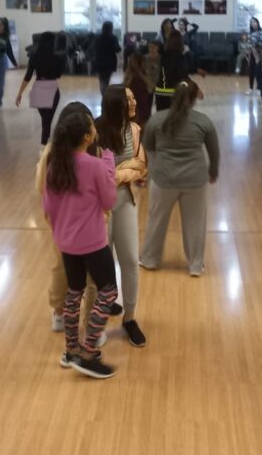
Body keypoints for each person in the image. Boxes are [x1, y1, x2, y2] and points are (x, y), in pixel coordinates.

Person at [43, 110, 119, 379]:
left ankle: (71, 351)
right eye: (92, 127)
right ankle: (88, 352)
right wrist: (108, 160)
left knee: (74, 292)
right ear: (87, 137)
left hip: (67, 242)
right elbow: (110, 201)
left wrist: (62, 232)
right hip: (93, 242)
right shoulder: (95, 165)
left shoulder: (55, 165)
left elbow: (48, 207)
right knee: (108, 292)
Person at [139, 79, 220, 276]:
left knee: (156, 220)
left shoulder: (157, 119)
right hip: (195, 180)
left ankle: (150, 259)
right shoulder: (203, 121)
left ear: (173, 96)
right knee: (195, 224)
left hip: (163, 180)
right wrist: (213, 172)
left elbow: (148, 146)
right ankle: (195, 265)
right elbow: (214, 151)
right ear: (193, 100)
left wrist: (152, 169)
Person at [38, 102, 101, 333]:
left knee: (74, 270)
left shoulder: (90, 151)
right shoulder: (53, 153)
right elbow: (42, 186)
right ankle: (61, 311)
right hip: (72, 223)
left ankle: (78, 316)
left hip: (73, 223)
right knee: (68, 269)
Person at [95, 85, 148, 347]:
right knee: (102, 263)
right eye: (129, 99)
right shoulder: (95, 131)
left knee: (129, 260)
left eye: (134, 97)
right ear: (116, 104)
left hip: (126, 200)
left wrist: (117, 173)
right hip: (98, 207)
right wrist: (124, 170)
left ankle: (130, 317)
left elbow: (141, 166)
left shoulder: (135, 129)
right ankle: (98, 317)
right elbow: (94, 172)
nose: (134, 102)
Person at [16, 31, 66, 146]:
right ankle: (45, 144)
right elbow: (59, 75)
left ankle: (45, 144)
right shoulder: (57, 57)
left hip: (38, 88)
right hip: (52, 88)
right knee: (47, 121)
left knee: (45, 120)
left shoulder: (34, 56)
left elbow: (28, 76)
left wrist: (20, 93)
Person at [154, 30, 190, 113]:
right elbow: (182, 75)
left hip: (160, 90)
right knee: (174, 116)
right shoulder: (179, 56)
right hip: (173, 91)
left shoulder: (163, 54)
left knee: (161, 116)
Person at [123, 52, 155, 127]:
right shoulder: (139, 76)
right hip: (141, 106)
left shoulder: (131, 75)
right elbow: (151, 88)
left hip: (136, 106)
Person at [93, 21, 121, 96]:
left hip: (98, 61)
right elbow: (117, 49)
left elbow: (94, 48)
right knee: (106, 81)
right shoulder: (113, 38)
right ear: (111, 28)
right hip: (109, 62)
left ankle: (103, 96)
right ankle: (105, 97)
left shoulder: (97, 37)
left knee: (101, 81)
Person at [244, 17, 262, 95]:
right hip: (251, 54)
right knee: (251, 71)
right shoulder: (250, 33)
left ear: (258, 22)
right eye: (251, 22)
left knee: (258, 72)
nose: (253, 23)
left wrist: (257, 46)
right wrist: (248, 54)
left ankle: (259, 88)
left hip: (259, 54)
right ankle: (251, 88)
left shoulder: (261, 32)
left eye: (255, 22)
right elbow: (248, 45)